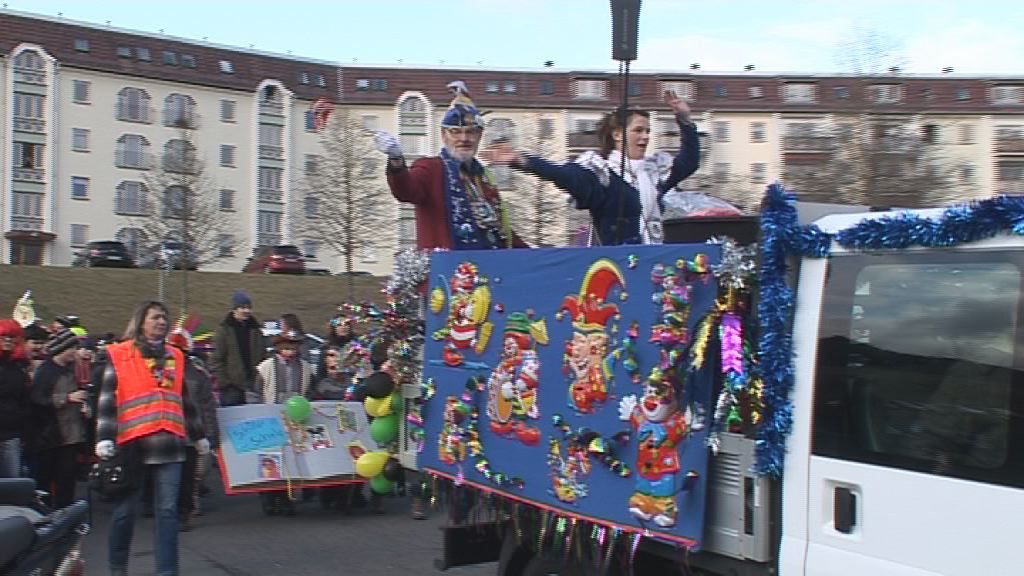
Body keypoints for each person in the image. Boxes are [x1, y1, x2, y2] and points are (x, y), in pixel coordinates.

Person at [482, 90, 699, 246]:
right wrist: (524, 160)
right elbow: (566, 176)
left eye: (648, 131)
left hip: (656, 263)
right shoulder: (601, 172)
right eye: (638, 130)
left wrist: (685, 121)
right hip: (617, 269)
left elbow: (689, 162)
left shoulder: (654, 171)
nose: (645, 137)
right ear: (617, 135)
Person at [95, 301, 209, 576]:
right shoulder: (120, 354)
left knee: (168, 512)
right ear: (141, 321)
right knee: (125, 511)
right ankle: (118, 567)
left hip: (169, 444)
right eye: (156, 317)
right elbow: (107, 398)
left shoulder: (176, 356)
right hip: (132, 444)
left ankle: (167, 571)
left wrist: (198, 435)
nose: (162, 322)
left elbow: (185, 399)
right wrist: (104, 437)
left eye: (164, 318)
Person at [376, 80, 529, 251]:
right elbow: (405, 191)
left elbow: (499, 228)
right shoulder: (431, 168)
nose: (464, 139)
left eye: (471, 132)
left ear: (479, 136)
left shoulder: (484, 177)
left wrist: (538, 255)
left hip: (489, 269)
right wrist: (396, 159)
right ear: (444, 135)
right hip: (447, 273)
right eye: (455, 132)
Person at [255, 329, 313, 515]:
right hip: (270, 414)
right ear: (279, 347)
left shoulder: (305, 368)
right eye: (286, 347)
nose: (290, 352)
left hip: (295, 416)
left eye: (294, 347)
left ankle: (287, 497)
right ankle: (269, 496)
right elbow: (256, 392)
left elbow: (310, 391)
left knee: (292, 456)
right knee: (271, 456)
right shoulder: (265, 367)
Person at [31, 329, 90, 507]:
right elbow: (37, 399)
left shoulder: (70, 370)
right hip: (51, 436)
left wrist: (84, 407)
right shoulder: (46, 371)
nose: (75, 352)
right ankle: (45, 516)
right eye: (72, 348)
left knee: (67, 481)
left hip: (71, 437)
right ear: (63, 349)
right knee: (46, 480)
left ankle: (65, 518)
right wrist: (67, 398)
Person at [212, 290, 264, 406]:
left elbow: (263, 356)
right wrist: (225, 382)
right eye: (243, 307)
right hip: (231, 389)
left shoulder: (255, 330)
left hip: (252, 386)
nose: (247, 311)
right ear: (234, 309)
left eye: (249, 307)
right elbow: (216, 360)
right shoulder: (224, 330)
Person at [0, 320, 30, 478]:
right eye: (4, 337)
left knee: (12, 482)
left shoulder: (18, 369)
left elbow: (24, 401)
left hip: (12, 434)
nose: (8, 341)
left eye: (12, 337)